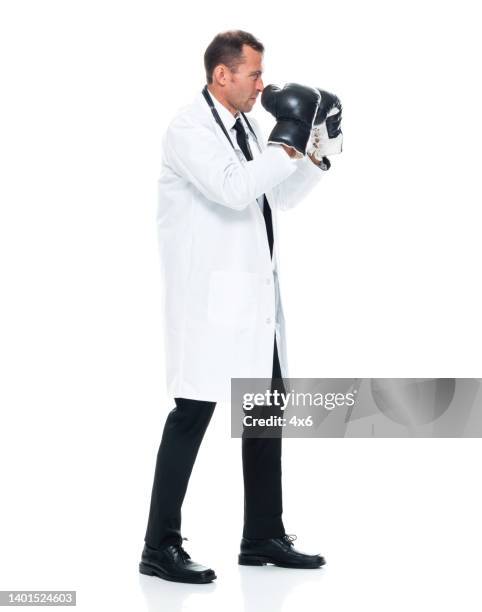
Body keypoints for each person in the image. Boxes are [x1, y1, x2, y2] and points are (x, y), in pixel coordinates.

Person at [139, 29, 341, 584]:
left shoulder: (250, 128)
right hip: (207, 308)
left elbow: (278, 196)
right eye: (254, 74)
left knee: (265, 418)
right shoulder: (188, 128)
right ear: (221, 74)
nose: (262, 84)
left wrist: (318, 148)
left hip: (255, 308)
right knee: (192, 418)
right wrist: (290, 136)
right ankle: (159, 546)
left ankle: (262, 536)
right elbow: (231, 188)